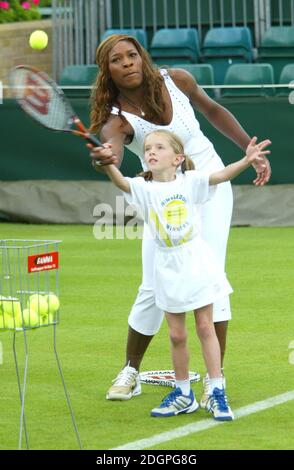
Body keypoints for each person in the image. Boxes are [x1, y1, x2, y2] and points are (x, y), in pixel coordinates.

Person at [88, 34, 271, 404]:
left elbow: (213, 110)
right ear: (107, 72)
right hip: (161, 198)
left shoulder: (178, 80)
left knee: (212, 277)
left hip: (210, 186)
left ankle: (213, 380)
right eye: (116, 60)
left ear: (142, 57)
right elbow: (115, 151)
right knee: (153, 285)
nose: (127, 63)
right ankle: (131, 371)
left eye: (132, 55)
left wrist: (246, 149)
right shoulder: (115, 119)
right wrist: (105, 157)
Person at [98, 129, 270, 420]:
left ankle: (216, 389)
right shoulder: (143, 186)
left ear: (177, 158)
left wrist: (246, 160)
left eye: (160, 148)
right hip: (166, 268)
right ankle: (183, 394)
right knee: (176, 334)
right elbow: (119, 182)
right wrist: (106, 163)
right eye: (148, 147)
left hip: (196, 262)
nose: (151, 151)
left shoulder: (191, 182)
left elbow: (220, 175)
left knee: (205, 328)